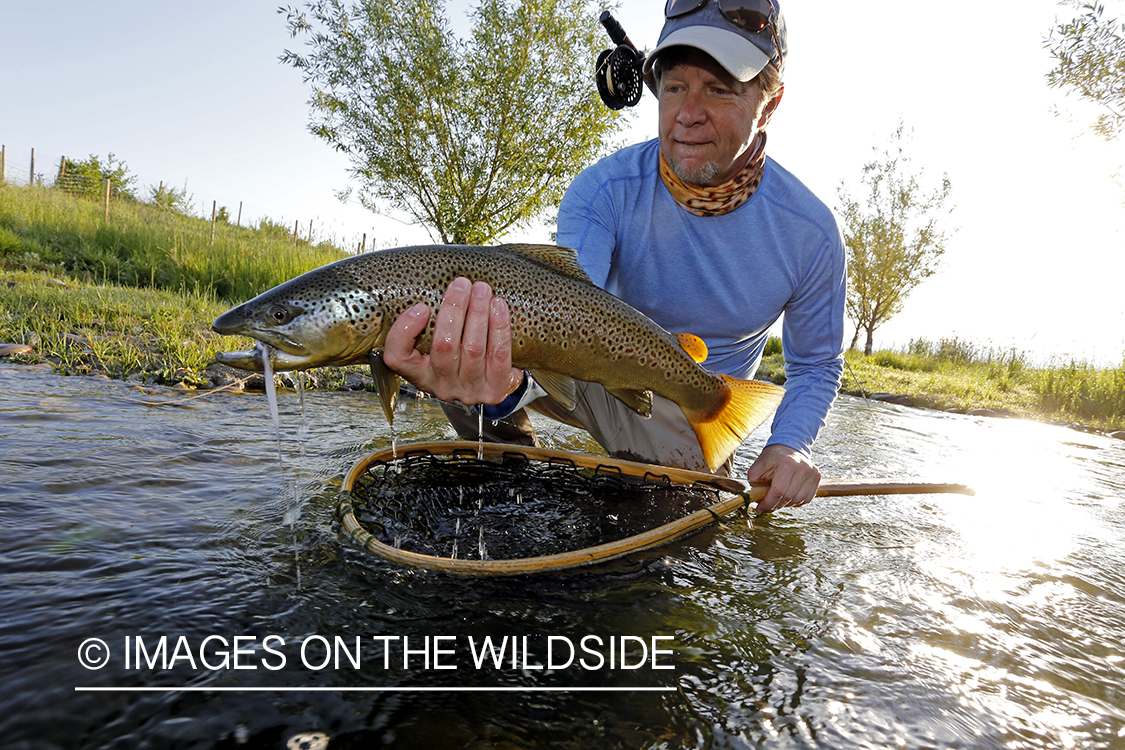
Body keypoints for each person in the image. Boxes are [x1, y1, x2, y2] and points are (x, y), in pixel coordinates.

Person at [381, 0, 845, 514]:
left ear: (771, 101)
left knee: (664, 536)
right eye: (674, 87)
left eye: (719, 89)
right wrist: (509, 387)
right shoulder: (604, 189)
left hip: (698, 403)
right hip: (589, 358)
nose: (688, 114)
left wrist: (789, 445)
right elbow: (561, 309)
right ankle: (509, 490)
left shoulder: (811, 234)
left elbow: (817, 364)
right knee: (464, 326)